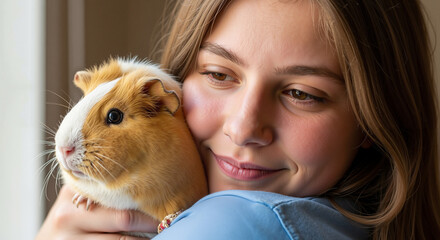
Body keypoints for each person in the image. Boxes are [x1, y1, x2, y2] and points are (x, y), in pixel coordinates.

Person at [36, 0, 440, 239]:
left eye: (302, 94)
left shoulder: (231, 225)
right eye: (218, 75)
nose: (243, 127)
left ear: (374, 118)